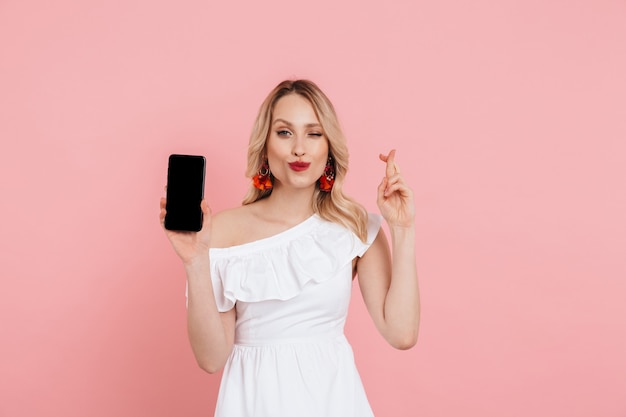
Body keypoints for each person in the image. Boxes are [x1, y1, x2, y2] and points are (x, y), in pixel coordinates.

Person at [160, 79, 420, 417]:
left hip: (334, 402)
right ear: (265, 144)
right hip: (253, 403)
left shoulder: (352, 226)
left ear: (329, 147)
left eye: (313, 134)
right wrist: (195, 262)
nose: (299, 148)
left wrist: (402, 228)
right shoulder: (221, 230)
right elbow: (211, 359)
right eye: (284, 133)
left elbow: (401, 334)